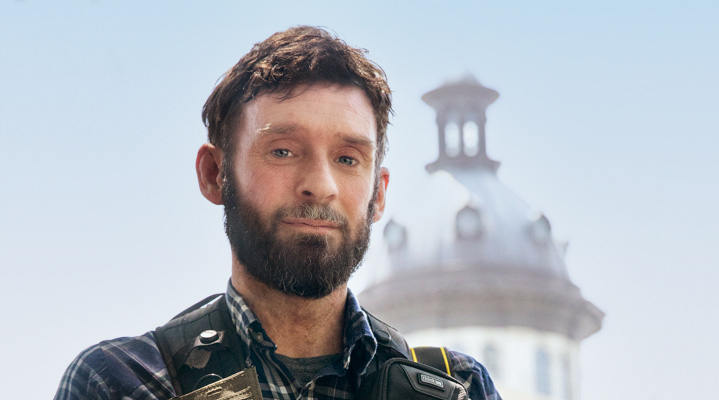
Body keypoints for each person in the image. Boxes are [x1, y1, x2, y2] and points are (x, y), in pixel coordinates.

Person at [54, 26, 501, 400]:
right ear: (215, 174)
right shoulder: (123, 383)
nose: (320, 185)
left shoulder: (458, 389)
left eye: (348, 159)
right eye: (283, 151)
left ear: (378, 194)